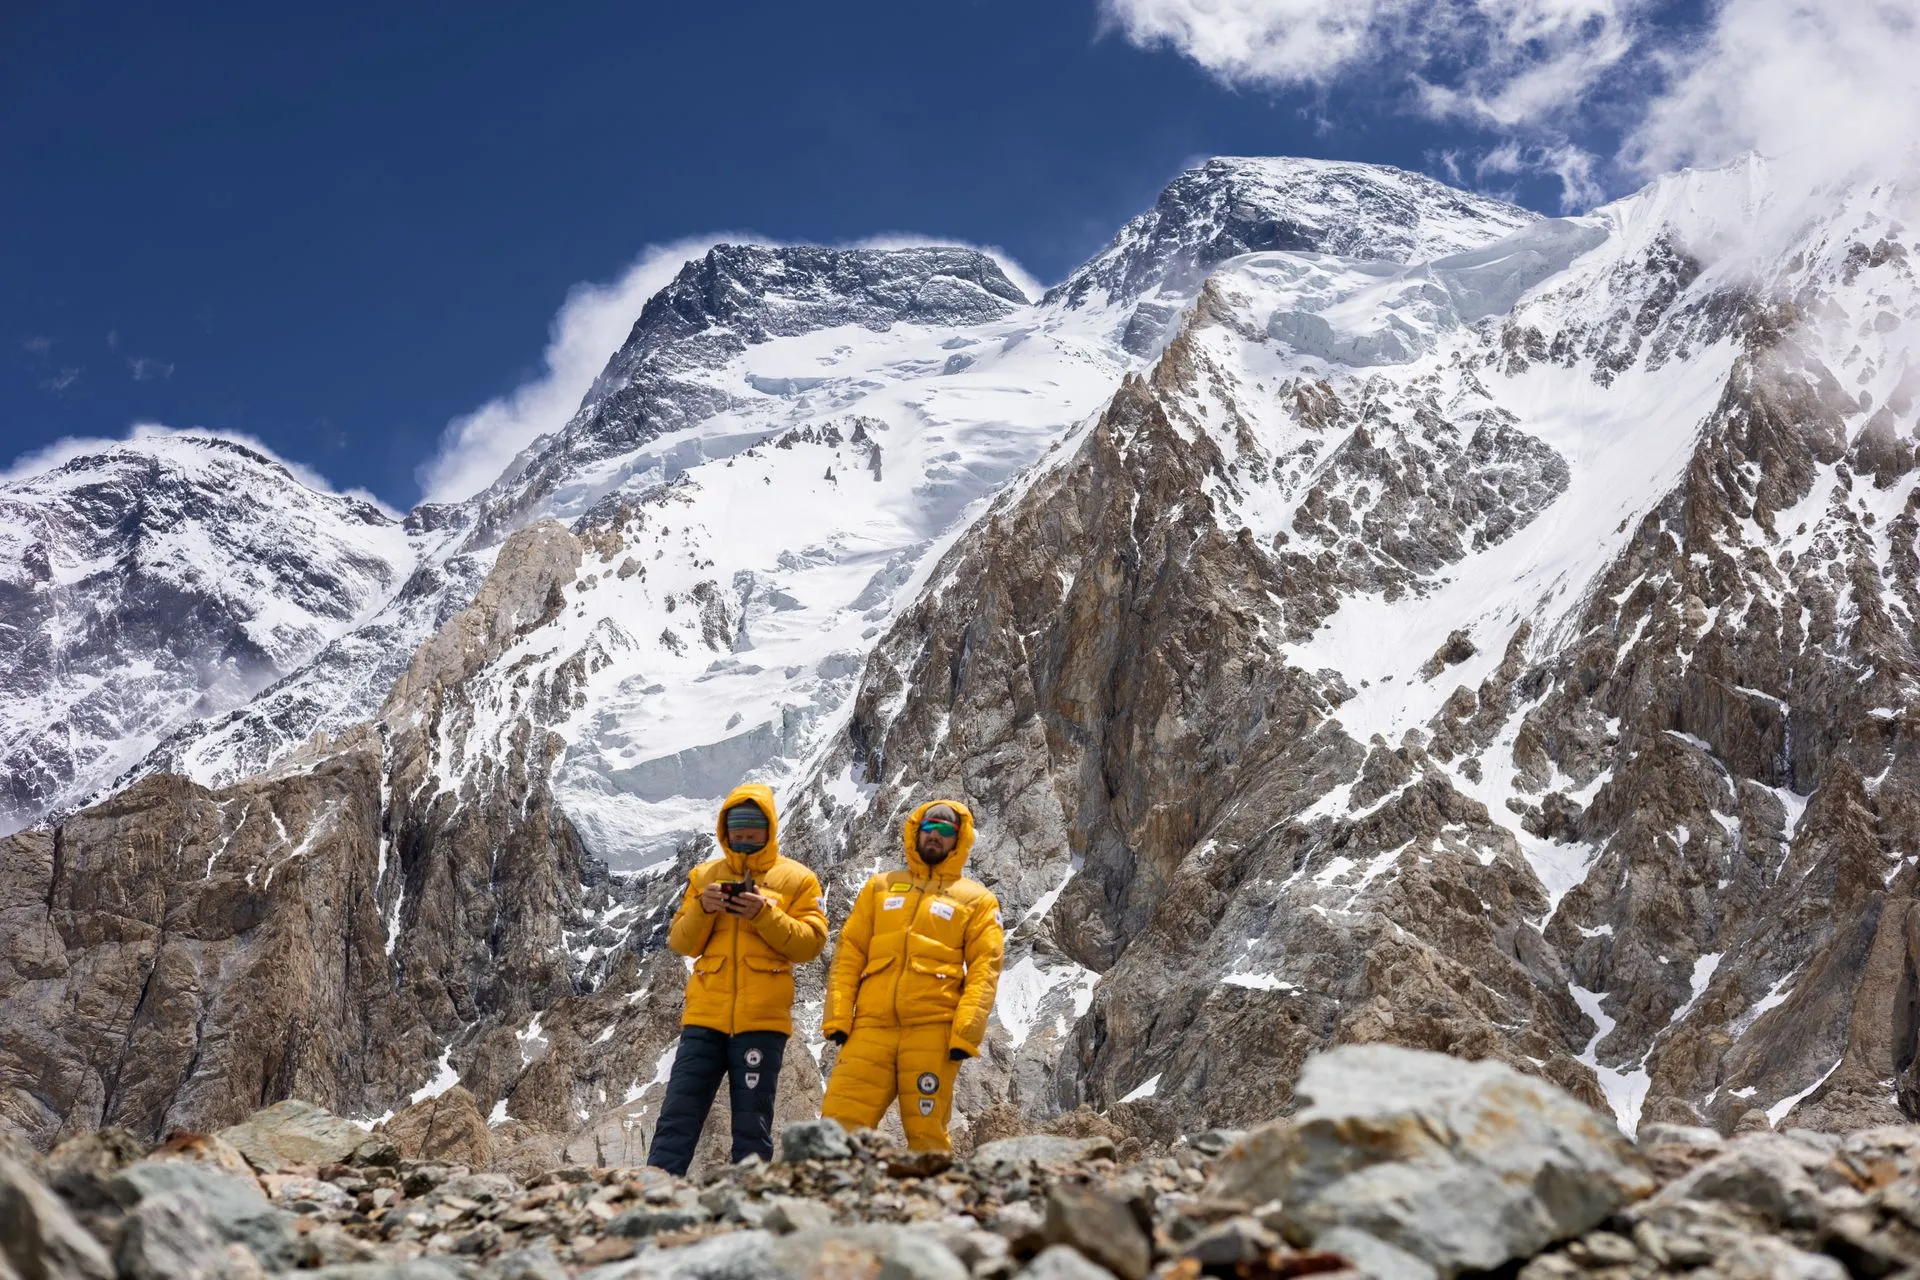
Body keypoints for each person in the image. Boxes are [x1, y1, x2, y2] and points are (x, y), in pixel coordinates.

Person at [647, 783, 827, 1175]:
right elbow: (682, 942)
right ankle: (653, 1190)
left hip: (761, 1020)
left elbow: (810, 944)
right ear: (724, 833)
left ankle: (748, 1200)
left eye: (752, 834)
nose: (744, 842)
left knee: (752, 1124)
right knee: (678, 1113)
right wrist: (703, 908)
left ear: (769, 831)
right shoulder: (703, 877)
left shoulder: (798, 880)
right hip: (703, 1018)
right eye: (737, 834)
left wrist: (764, 914)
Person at [820, 799, 1004, 1152]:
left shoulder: (978, 901)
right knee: (836, 1127)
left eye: (946, 831)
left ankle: (933, 1204)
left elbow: (986, 969)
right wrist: (839, 1016)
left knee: (927, 1134)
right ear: (915, 834)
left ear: (959, 839)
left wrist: (965, 1034)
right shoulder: (880, 887)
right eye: (929, 829)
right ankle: (833, 1202)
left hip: (933, 1031)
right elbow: (849, 952)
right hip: (869, 1029)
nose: (935, 836)